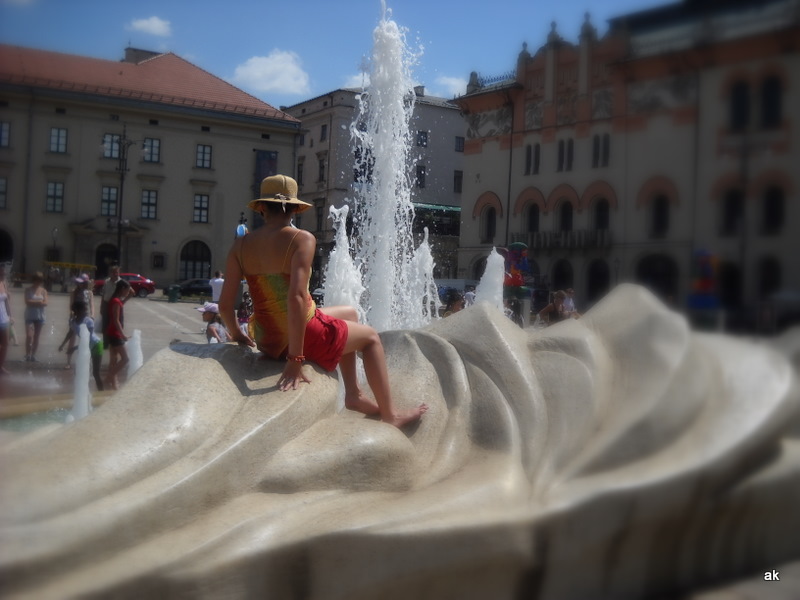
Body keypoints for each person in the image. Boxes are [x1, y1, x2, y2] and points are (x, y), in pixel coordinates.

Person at [218, 174, 427, 428]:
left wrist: (237, 334)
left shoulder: (240, 246)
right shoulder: (301, 239)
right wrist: (295, 359)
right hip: (300, 335)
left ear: (261, 208)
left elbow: (225, 305)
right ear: (294, 209)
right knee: (371, 338)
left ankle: (354, 394)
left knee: (349, 314)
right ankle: (390, 415)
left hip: (266, 337)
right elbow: (296, 297)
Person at [58, 300, 104, 391]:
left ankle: (101, 392)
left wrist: (74, 348)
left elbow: (88, 339)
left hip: (96, 345)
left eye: (86, 309)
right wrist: (62, 345)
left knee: (95, 373)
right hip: (86, 346)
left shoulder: (88, 321)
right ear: (77, 310)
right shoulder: (73, 321)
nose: (86, 311)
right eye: (84, 309)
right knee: (79, 371)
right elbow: (70, 333)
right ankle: (81, 391)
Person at [104, 279, 133, 390]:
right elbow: (116, 320)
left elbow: (131, 293)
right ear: (122, 289)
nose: (128, 292)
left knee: (114, 360)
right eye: (127, 290)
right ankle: (109, 377)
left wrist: (128, 290)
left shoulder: (117, 300)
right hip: (115, 333)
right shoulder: (116, 301)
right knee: (125, 359)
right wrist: (123, 335)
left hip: (112, 332)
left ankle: (111, 383)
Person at [24, 271, 48, 362]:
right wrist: (39, 302)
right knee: (29, 336)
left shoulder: (43, 291)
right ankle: (27, 354)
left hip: (40, 316)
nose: (38, 282)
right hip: (29, 315)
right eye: (36, 280)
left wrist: (33, 302)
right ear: (33, 280)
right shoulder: (28, 290)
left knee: (36, 337)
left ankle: (33, 355)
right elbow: (27, 302)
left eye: (40, 280)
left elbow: (46, 303)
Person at [100, 265, 121, 345]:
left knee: (115, 324)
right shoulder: (107, 282)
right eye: (114, 272)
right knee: (105, 324)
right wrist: (101, 306)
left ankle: (114, 342)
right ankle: (105, 343)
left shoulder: (121, 282)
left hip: (115, 305)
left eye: (117, 272)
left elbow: (130, 292)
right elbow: (103, 294)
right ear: (110, 273)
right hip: (106, 304)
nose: (115, 274)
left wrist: (123, 302)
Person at [0, 264, 11, 375]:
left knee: (5, 343)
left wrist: (10, 315)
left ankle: (0, 366)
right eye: (1, 272)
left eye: (4, 273)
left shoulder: (3, 283)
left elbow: (7, 301)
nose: (3, 274)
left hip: (3, 318)